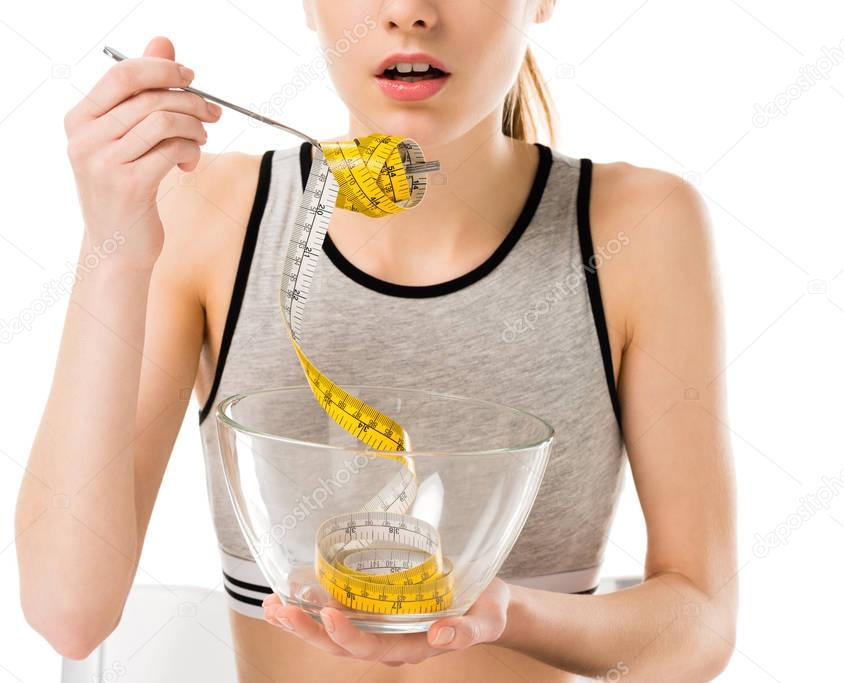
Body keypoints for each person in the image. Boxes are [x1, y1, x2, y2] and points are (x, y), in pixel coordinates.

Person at [16, 1, 738, 680]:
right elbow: (69, 614)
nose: (409, 10)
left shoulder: (639, 228)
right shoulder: (207, 213)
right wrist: (111, 249)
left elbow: (699, 623)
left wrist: (505, 613)